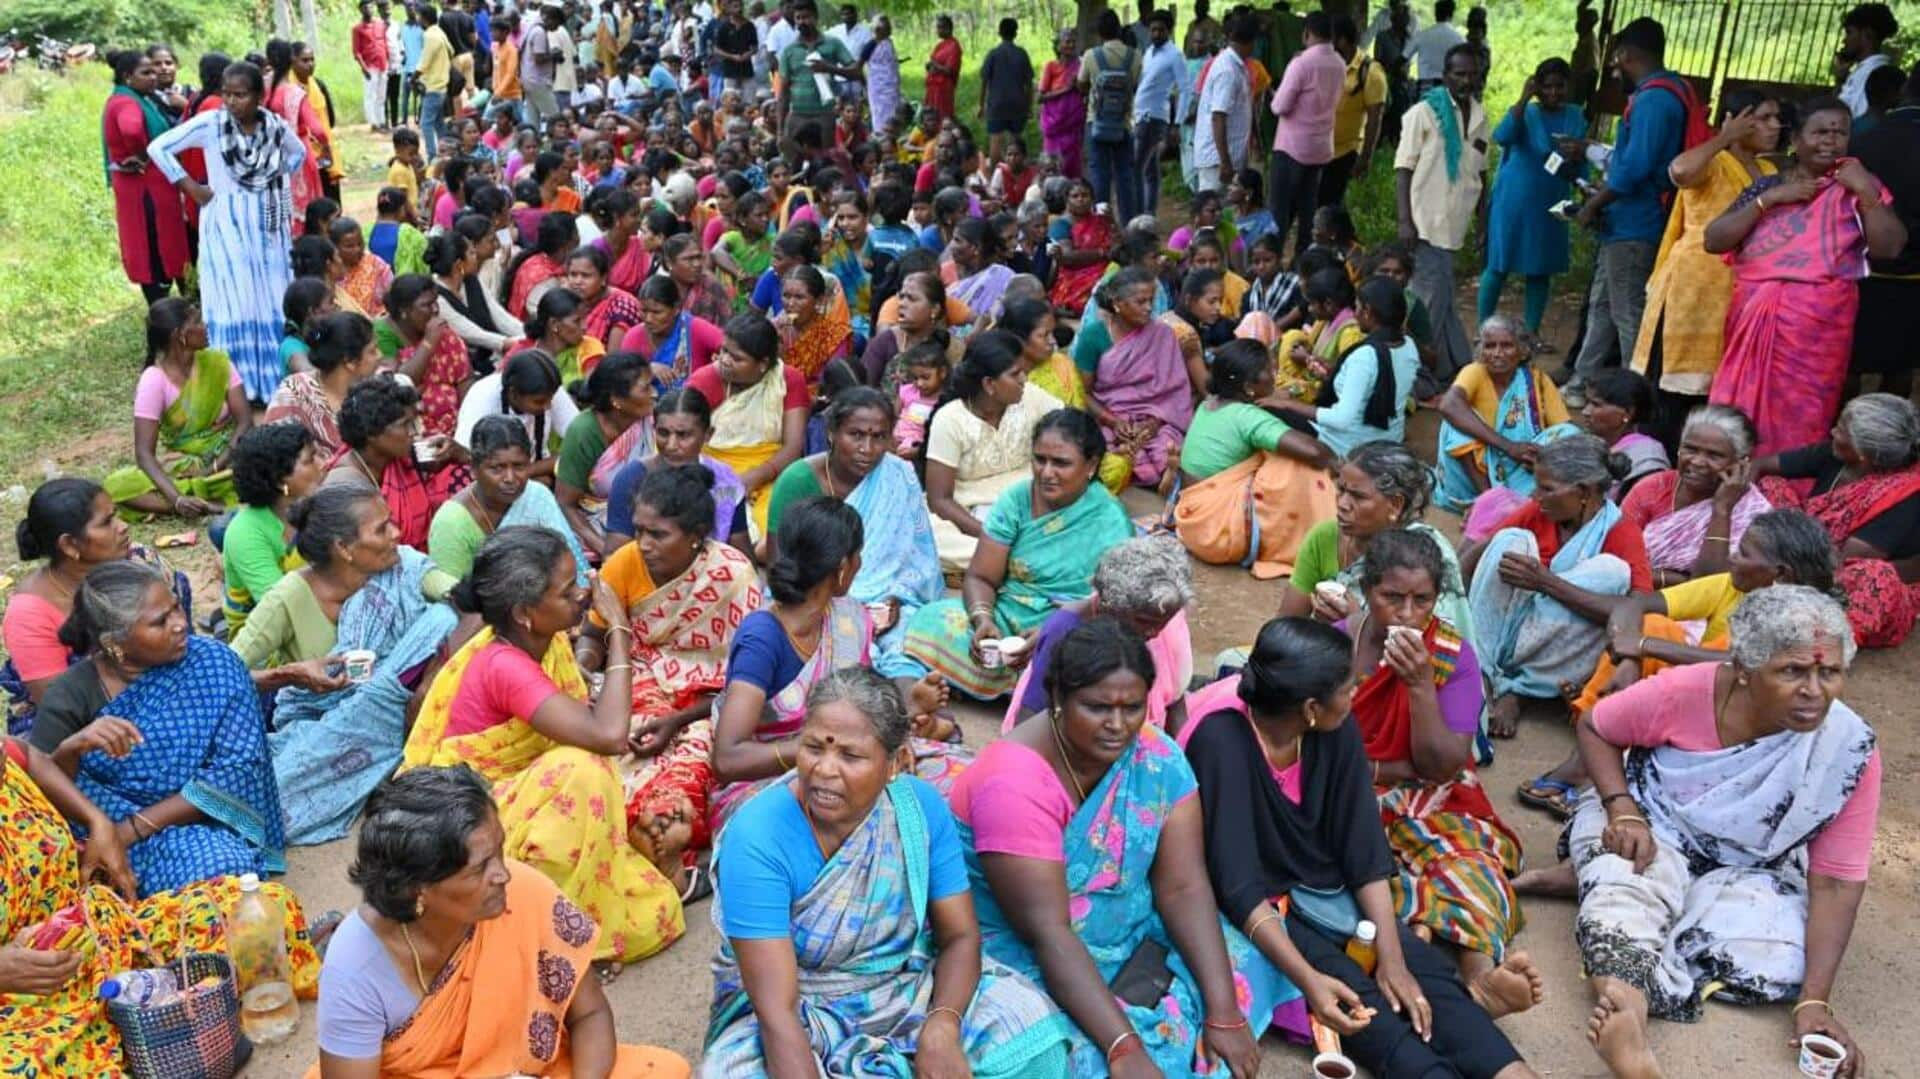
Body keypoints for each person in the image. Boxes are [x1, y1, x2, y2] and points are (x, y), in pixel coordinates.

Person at [1181, 617, 1542, 1079]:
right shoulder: (1222, 743)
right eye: (1348, 688)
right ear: (1311, 707)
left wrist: (1391, 957)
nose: (1356, 696)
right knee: (1362, 1007)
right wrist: (1309, 981)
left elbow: (1363, 848)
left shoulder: (1335, 729)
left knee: (1420, 978)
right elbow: (1240, 888)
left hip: (1334, 895)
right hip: (1271, 912)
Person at [949, 618, 1285, 1075]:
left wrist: (1224, 1012)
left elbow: (1183, 887)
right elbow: (1049, 933)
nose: (1117, 725)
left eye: (1132, 707)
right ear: (1057, 699)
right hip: (1022, 951)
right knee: (1050, 1053)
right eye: (1097, 707)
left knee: (1251, 956)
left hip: (1122, 928)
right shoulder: (1012, 783)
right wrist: (1123, 1048)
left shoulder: (1155, 756)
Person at [1571, 586, 1875, 1079]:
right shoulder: (1685, 690)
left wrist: (1814, 1003)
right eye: (1792, 671)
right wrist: (1622, 809)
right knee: (1620, 893)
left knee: (1781, 956)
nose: (1814, 691)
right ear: (1743, 669)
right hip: (1651, 822)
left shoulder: (1849, 746)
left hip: (1752, 863)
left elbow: (1836, 880)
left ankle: (1609, 890)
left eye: (1830, 672)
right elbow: (1595, 727)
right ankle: (1630, 1024)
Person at [701, 666, 1064, 1074]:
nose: (824, 769)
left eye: (850, 755)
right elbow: (777, 1013)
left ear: (896, 762)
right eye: (814, 747)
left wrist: (942, 1026)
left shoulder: (918, 811)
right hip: (801, 1010)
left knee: (1029, 1028)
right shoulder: (758, 836)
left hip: (903, 988)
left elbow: (961, 937)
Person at [402, 527, 685, 965]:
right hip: (471, 827)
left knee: (651, 898)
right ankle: (551, 938)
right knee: (584, 771)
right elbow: (607, 736)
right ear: (524, 613)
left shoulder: (541, 641)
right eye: (568, 589)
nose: (584, 593)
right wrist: (619, 629)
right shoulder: (504, 665)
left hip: (511, 795)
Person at [312, 766, 689, 1077]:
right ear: (418, 891)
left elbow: (590, 1013)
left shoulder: (523, 890)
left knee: (666, 1070)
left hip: (529, 1070)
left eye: (500, 852)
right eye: (480, 869)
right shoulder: (355, 968)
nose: (503, 875)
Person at [0, 734, 318, 1074]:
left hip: (101, 935)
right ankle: (158, 1034)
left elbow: (27, 754)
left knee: (256, 911)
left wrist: (99, 822)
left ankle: (149, 1026)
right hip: (24, 997)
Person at [1513, 507, 1841, 816]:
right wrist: (1630, 657)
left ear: (1779, 574)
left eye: (1743, 553)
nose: (1732, 558)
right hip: (1701, 690)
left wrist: (1645, 647)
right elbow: (1635, 606)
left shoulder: (1808, 619)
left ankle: (1588, 760)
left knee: (1699, 647)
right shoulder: (1733, 586)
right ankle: (1596, 746)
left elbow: (1741, 665)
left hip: (1741, 711)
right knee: (1655, 624)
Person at [27, 562, 288, 894]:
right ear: (114, 643)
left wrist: (128, 831)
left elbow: (238, 769)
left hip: (199, 821)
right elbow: (41, 787)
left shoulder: (215, 664)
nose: (180, 624)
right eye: (160, 622)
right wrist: (73, 749)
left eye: (176, 607)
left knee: (223, 870)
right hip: (97, 828)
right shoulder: (72, 694)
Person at [709, 497, 961, 826]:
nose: (860, 564)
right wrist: (823, 750)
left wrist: (903, 715)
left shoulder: (847, 620)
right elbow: (728, 759)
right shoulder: (763, 638)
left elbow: (859, 708)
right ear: (843, 567)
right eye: (857, 556)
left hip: (848, 760)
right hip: (770, 780)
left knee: (960, 780)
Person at [1706, 96, 1906, 457]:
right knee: (1733, 412)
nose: (1830, 140)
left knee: (1803, 414)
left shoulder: (1857, 188)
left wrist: (1864, 190)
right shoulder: (1768, 186)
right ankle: (1727, 480)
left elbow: (1889, 248)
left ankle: (1786, 487)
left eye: (1839, 132)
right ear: (1796, 139)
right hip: (1753, 314)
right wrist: (1772, 199)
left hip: (1817, 328)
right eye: (1819, 132)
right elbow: (1714, 239)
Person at [905, 410, 1134, 699]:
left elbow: (1113, 606)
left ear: (1090, 465)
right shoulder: (1016, 500)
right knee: (928, 621)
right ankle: (1022, 690)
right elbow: (980, 577)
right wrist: (983, 620)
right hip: (1007, 619)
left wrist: (1051, 631)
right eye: (1040, 460)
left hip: (1072, 628)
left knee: (1099, 656)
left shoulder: (1110, 519)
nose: (1046, 473)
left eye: (1061, 463)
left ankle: (999, 688)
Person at [1464, 434, 1653, 737]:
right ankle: (1481, 673)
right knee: (1509, 542)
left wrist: (1547, 583)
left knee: (1612, 574)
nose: (1536, 496)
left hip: (1557, 646)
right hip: (1508, 630)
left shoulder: (1621, 532)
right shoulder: (1538, 512)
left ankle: (1520, 690)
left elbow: (1639, 608)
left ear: (1583, 492)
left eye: (1547, 489)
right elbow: (1480, 554)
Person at [147, 60, 305, 405]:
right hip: (226, 230)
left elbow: (299, 152)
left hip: (266, 232)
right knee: (234, 304)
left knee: (269, 303)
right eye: (227, 94)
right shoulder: (211, 125)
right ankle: (234, 390)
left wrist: (273, 185)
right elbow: (157, 148)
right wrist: (191, 186)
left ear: (259, 97)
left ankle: (272, 386)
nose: (232, 102)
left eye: (241, 95)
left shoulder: (274, 127)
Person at [1629, 92, 1781, 438]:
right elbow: (1679, 171)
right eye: (1764, 116)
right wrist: (1724, 137)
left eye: (1777, 118)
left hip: (1740, 283)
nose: (1775, 126)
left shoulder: (1770, 170)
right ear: (1737, 118)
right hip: (1693, 284)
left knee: (1714, 386)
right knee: (1670, 385)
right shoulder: (1712, 161)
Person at [1564, 18, 1695, 408]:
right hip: (1624, 222)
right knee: (1602, 307)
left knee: (1627, 314)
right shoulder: (1670, 91)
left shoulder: (1654, 99)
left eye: (1616, 60)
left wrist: (1593, 204)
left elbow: (1635, 168)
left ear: (1625, 54)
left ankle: (1635, 400)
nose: (1615, 69)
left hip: (1636, 224)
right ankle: (1581, 383)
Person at [767, 389, 941, 677]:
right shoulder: (798, 481)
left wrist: (894, 600)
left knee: (921, 635)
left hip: (888, 603)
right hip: (811, 601)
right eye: (856, 435)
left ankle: (912, 701)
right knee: (846, 648)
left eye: (879, 437)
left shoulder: (898, 475)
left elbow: (917, 560)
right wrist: (851, 610)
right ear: (833, 433)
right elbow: (779, 568)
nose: (868, 448)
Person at [1758, 392, 1920, 648]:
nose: (1833, 431)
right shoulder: (1835, 455)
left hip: (1845, 581)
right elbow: (1762, 466)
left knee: (1875, 575)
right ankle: (1777, 581)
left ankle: (1824, 642)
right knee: (1771, 486)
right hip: (1806, 554)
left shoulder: (1906, 495)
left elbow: (1839, 565)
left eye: (1843, 430)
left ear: (1865, 454)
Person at [1284, 439, 1476, 647]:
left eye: (1357, 496)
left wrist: (1357, 623)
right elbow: (1285, 626)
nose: (1342, 504)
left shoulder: (1428, 556)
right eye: (1341, 490)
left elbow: (1434, 652)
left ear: (1395, 505)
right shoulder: (1324, 538)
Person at [1003, 537, 1197, 741]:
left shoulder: (1166, 619)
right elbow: (1031, 716)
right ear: (1109, 605)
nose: (1154, 632)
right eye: (1143, 621)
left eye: (1163, 622)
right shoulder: (1065, 630)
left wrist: (1181, 761)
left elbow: (1176, 703)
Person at [1173, 338, 1336, 578]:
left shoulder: (1209, 404)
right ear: (1249, 386)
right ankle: (1316, 546)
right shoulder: (1247, 416)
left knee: (1273, 453)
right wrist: (1340, 467)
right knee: (1296, 465)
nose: (1274, 374)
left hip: (1190, 522)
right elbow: (1316, 453)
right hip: (1218, 532)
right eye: (1269, 370)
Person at [920, 331, 1069, 573]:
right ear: (989, 384)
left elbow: (1071, 427)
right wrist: (990, 535)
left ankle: (1011, 561)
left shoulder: (1030, 397)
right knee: (931, 537)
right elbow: (939, 499)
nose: (1024, 379)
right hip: (969, 513)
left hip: (1031, 501)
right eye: (1014, 374)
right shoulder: (950, 419)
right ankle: (1024, 559)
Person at [104, 299, 249, 518]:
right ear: (179, 335)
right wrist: (176, 497)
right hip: (187, 465)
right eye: (198, 322)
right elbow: (144, 454)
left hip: (231, 456)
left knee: (265, 462)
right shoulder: (154, 380)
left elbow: (245, 421)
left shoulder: (218, 362)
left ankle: (201, 494)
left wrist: (216, 466)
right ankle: (195, 503)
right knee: (116, 485)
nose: (205, 325)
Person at [1393, 44, 1485, 381]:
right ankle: (1415, 374)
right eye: (1459, 74)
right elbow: (1403, 168)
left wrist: (1482, 222)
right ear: (1445, 76)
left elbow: (1481, 173)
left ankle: (1455, 364)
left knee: (1442, 295)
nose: (1466, 80)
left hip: (1455, 224)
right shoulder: (1423, 113)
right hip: (1425, 222)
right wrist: (1405, 221)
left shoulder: (1479, 116)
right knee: (1429, 302)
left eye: (1472, 74)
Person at [1479, 58, 1584, 336]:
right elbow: (1501, 136)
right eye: (1546, 86)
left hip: (1552, 197)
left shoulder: (1575, 115)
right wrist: (1524, 98)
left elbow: (1581, 156)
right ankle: (1483, 329)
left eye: (1559, 86)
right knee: (1499, 264)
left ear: (1567, 86)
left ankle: (1530, 334)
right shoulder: (1527, 113)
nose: (1553, 93)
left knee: (1540, 267)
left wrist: (1584, 186)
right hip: (1515, 199)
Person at [1434, 313, 1576, 519]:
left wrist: (1542, 457)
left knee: (1569, 433)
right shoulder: (1475, 371)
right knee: (1455, 423)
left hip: (1520, 470)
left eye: (1507, 346)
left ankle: (1527, 498)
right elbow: (1449, 404)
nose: (1497, 353)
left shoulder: (1537, 380)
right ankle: (1489, 501)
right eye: (1490, 346)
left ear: (1523, 350)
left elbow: (1565, 428)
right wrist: (1508, 447)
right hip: (1475, 478)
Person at [684, 312, 809, 542]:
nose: (725, 360)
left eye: (737, 358)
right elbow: (684, 440)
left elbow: (793, 447)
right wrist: (729, 482)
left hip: (769, 474)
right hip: (711, 474)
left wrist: (753, 478)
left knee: (776, 530)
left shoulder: (788, 380)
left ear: (763, 364)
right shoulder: (704, 381)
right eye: (724, 351)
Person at [1618, 403, 1773, 587]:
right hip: (1634, 593)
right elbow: (1619, 560)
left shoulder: (1754, 512)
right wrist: (1681, 580)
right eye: (1690, 449)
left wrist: (1722, 509)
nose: (1698, 462)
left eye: (1714, 455)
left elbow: (1711, 586)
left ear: (1742, 462)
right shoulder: (1653, 488)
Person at [1272, 276, 1419, 458]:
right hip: (1390, 439)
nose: (1354, 314)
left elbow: (1341, 419)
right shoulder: (1409, 345)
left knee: (1268, 414)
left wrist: (1287, 405)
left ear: (1367, 311)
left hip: (1349, 447)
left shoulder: (1365, 356)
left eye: (1357, 307)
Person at [429, 415, 588, 582]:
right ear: (474, 469)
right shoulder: (451, 523)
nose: (510, 478)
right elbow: (451, 596)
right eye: (497, 468)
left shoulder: (537, 496)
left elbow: (572, 562)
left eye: (519, 466)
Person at [1085, 267, 1192, 490]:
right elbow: (1083, 393)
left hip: (1156, 418)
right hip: (1108, 417)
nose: (1149, 308)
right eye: (1140, 302)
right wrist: (1113, 421)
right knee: (1103, 456)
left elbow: (1174, 392)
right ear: (1117, 303)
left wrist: (1155, 422)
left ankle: (1166, 477)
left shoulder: (1162, 334)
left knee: (1167, 449)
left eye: (1151, 301)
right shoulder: (1094, 335)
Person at [324, 377, 461, 549]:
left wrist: (460, 453)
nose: (414, 433)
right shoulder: (343, 483)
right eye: (405, 425)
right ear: (372, 432)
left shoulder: (404, 457)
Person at [222, 422, 325, 637]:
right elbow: (279, 608)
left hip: (317, 608)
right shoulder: (245, 532)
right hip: (263, 635)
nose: (322, 464)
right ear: (280, 481)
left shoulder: (313, 507)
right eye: (310, 460)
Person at [102, 51, 190, 304]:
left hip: (146, 185)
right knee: (155, 246)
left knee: (157, 245)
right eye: (146, 73)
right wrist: (143, 154)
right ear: (128, 77)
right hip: (146, 188)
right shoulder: (127, 103)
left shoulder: (135, 97)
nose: (154, 77)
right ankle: (162, 306)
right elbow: (130, 129)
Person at [555, 353, 657, 558]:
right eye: (645, 388)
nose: (654, 394)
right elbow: (565, 503)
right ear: (617, 401)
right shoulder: (584, 432)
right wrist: (604, 549)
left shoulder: (654, 421)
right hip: (594, 523)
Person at [1267, 11, 1344, 255]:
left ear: (1306, 33)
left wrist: (1273, 94)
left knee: (1279, 210)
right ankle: (1302, 261)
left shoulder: (1301, 63)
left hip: (1291, 147)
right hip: (1320, 148)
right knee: (1307, 209)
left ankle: (1272, 259)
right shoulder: (1340, 63)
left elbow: (1279, 106)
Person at [265, 311, 386, 458]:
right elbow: (276, 458)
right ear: (350, 362)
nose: (380, 356)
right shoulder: (295, 394)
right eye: (372, 351)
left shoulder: (376, 387)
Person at [454, 348, 581, 479]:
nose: (548, 407)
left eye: (551, 400)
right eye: (539, 402)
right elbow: (467, 455)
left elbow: (581, 440)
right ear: (513, 393)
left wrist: (530, 471)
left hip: (537, 472)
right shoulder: (483, 396)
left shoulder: (547, 389)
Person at [378, 270, 474, 437]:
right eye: (426, 305)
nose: (435, 310)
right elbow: (401, 383)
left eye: (436, 302)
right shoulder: (383, 333)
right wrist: (429, 342)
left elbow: (465, 380)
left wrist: (464, 426)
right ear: (403, 310)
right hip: (411, 431)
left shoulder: (444, 335)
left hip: (455, 428)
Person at [1080, 11, 1142, 222]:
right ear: (1119, 29)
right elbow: (1135, 85)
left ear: (1099, 32)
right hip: (1123, 124)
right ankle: (1129, 224)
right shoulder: (1135, 56)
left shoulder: (1091, 55)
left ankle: (1101, 225)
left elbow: (1081, 83)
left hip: (1096, 123)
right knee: (1125, 176)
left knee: (1100, 175)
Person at [1322, 15, 1386, 210]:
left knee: (1329, 207)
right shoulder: (1326, 63)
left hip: (1345, 152)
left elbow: (1375, 119)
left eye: (1329, 39)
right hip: (1317, 150)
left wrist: (1365, 159)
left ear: (1341, 40)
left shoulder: (1371, 72)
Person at [1194, 16, 1256, 194]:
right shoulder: (1227, 70)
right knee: (1211, 212)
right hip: (1217, 160)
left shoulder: (1236, 66)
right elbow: (1218, 117)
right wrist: (1225, 161)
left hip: (1227, 157)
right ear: (1251, 42)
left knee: (1225, 215)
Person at [1132, 10, 1183, 217]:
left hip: (1155, 117)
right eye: (1153, 30)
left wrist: (1177, 123)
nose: (1156, 34)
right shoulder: (1148, 52)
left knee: (1135, 166)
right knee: (1150, 169)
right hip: (1141, 115)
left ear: (1169, 31)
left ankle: (1136, 215)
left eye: (1160, 30)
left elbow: (1185, 89)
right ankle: (1148, 213)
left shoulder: (1175, 55)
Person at [1039, 28, 1088, 180]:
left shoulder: (1081, 65)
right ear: (1058, 46)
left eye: (1073, 42)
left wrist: (1078, 85)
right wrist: (1065, 90)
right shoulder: (1051, 66)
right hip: (1053, 126)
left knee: (1072, 167)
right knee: (1052, 166)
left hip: (1072, 127)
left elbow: (1085, 91)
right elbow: (1041, 97)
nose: (1071, 45)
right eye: (1067, 42)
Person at [1837, 2, 1899, 117]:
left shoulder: (1872, 73)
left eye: (1849, 32)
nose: (1844, 40)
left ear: (1867, 33)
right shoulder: (1863, 70)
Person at [1407, 0, 1465, 89]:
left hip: (1425, 87)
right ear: (1451, 15)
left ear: (1436, 14)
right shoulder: (1459, 39)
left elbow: (1402, 59)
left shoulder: (1422, 35)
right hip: (1449, 88)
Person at [923, 14, 961, 123]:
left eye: (940, 27)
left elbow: (950, 70)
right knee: (930, 118)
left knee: (942, 117)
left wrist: (935, 65)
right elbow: (934, 62)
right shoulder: (940, 45)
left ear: (948, 28)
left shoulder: (954, 46)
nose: (938, 30)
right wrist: (930, 66)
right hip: (933, 87)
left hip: (943, 88)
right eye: (937, 27)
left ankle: (944, 137)